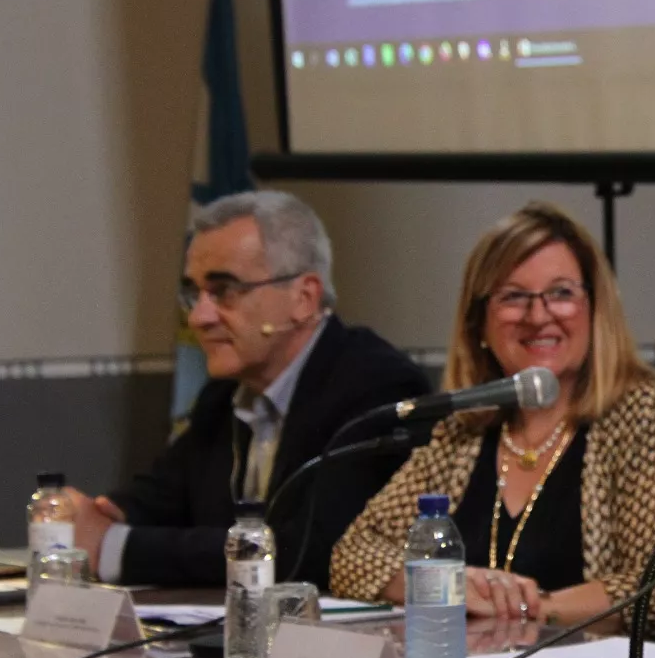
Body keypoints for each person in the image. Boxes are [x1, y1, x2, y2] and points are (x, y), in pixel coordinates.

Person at [331, 202, 655, 641]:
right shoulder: (466, 426)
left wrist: (529, 609)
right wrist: (455, 592)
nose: (538, 315)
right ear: (479, 321)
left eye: (561, 293)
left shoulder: (646, 410)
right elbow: (354, 556)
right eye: (513, 296)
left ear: (595, 309)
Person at [66, 191, 430, 588]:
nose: (199, 317)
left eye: (224, 291)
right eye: (194, 293)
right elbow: (160, 496)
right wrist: (93, 514)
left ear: (303, 298)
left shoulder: (375, 387)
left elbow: (311, 551)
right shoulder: (224, 394)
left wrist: (116, 548)